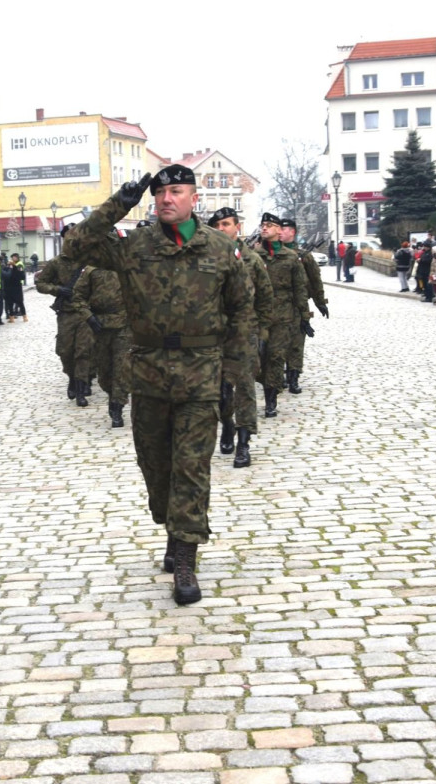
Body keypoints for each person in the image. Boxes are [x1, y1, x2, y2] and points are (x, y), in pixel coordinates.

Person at [64, 165, 252, 605]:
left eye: (177, 191)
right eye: (161, 192)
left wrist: (235, 375)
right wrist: (119, 203)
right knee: (156, 468)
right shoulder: (133, 248)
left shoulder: (222, 249)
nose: (167, 198)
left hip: (200, 372)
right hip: (147, 372)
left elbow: (241, 313)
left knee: (191, 468)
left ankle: (185, 557)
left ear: (193, 198)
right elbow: (76, 245)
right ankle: (171, 526)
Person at [210, 207, 271, 469]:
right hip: (214, 336)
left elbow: (266, 300)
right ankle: (227, 425)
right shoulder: (205, 260)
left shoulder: (253, 261)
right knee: (221, 391)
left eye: (226, 224)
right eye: (217, 225)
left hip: (245, 334)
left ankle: (244, 444)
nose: (221, 229)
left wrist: (263, 335)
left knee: (245, 389)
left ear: (237, 228)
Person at [256, 213, 309, 419]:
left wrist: (304, 316)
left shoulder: (290, 258)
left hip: (283, 317)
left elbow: (300, 288)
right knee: (260, 359)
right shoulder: (255, 256)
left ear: (279, 230)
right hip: (259, 317)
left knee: (276, 357)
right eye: (263, 225)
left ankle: (271, 399)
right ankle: (268, 385)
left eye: (269, 225)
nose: (264, 228)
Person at [36, 229, 93, 400]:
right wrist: (58, 290)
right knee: (65, 351)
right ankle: (72, 378)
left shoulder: (89, 262)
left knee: (83, 351)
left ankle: (82, 387)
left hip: (85, 313)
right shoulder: (56, 263)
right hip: (66, 314)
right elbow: (40, 283)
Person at [77, 258, 130, 426]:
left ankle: (117, 406)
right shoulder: (91, 270)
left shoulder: (128, 265)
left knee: (122, 368)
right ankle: (112, 395)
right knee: (105, 371)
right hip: (100, 325)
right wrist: (88, 316)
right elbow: (77, 296)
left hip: (124, 324)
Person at [283, 218, 327, 395]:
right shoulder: (269, 253)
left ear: (292, 232)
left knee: (296, 343)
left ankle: (293, 377)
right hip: (276, 305)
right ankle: (277, 375)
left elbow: (315, 281)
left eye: (284, 229)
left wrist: (320, 303)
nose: (280, 232)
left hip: (297, 304)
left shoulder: (304, 255)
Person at [4, 252, 27, 322]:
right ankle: (11, 317)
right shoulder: (9, 266)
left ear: (17, 258)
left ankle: (24, 316)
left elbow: (21, 276)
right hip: (9, 287)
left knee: (20, 302)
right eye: (12, 258)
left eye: (14, 257)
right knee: (10, 303)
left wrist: (14, 266)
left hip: (17, 287)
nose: (12, 259)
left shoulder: (19, 265)